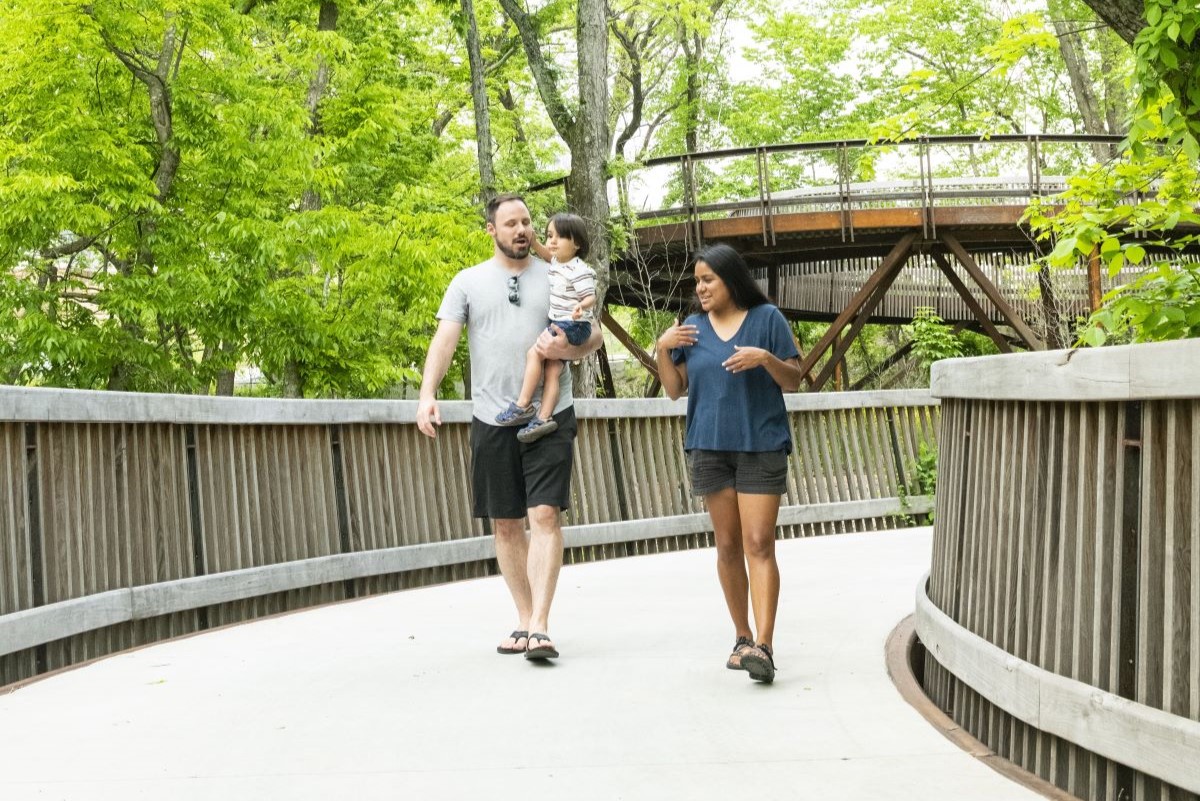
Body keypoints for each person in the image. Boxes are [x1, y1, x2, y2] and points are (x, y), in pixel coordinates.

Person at [416, 194, 603, 661]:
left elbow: (593, 332)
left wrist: (569, 352)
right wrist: (427, 394)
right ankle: (523, 618)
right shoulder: (468, 282)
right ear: (492, 230)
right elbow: (445, 339)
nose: (521, 230)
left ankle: (540, 624)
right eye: (510, 223)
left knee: (544, 515)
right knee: (505, 523)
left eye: (526, 222)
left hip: (549, 415)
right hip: (492, 417)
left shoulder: (558, 271)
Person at [655, 243, 801, 683]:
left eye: (708, 280)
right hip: (709, 446)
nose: (699, 288)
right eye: (696, 281)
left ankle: (765, 645)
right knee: (727, 545)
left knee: (759, 542)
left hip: (761, 444)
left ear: (730, 279)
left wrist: (765, 359)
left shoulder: (767, 319)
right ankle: (741, 637)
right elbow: (674, 390)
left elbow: (793, 380)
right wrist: (663, 349)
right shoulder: (691, 329)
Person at [495, 213, 597, 444]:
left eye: (560, 237)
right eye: (550, 235)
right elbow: (545, 253)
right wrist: (534, 242)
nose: (552, 241)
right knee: (552, 371)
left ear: (577, 243)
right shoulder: (557, 262)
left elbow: (590, 296)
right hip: (563, 323)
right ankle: (544, 417)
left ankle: (523, 404)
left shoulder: (578, 269)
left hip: (572, 324)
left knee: (534, 353)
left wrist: (581, 306)